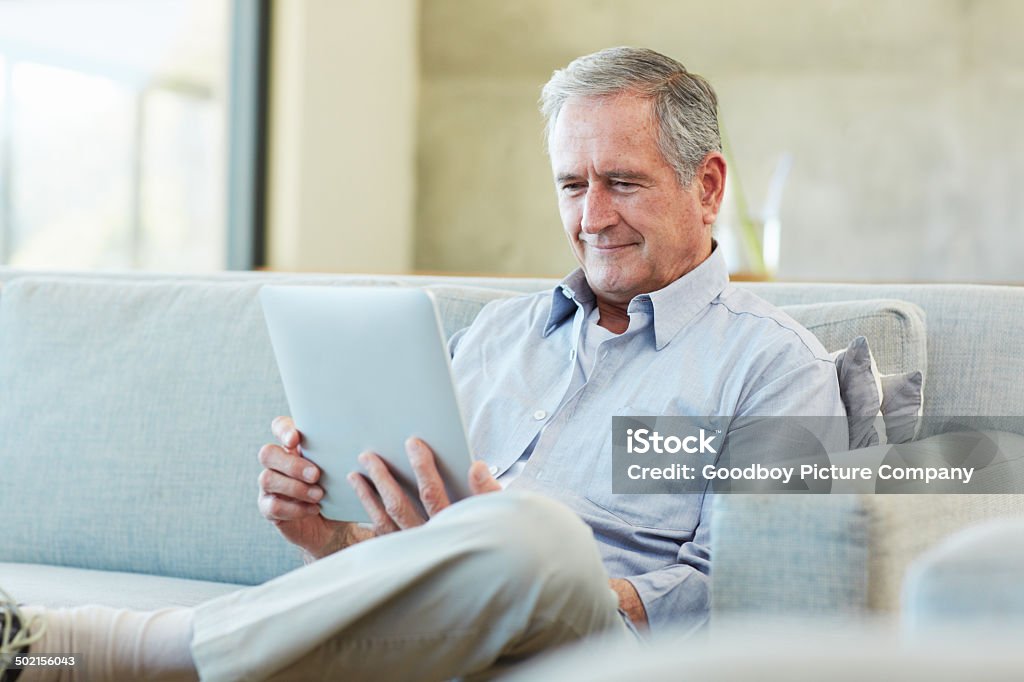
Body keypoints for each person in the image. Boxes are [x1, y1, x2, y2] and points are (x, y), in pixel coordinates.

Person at [1, 46, 846, 682]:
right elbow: (399, 544)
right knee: (508, 532)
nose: (591, 217)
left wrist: (551, 567)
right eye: (570, 185)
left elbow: (758, 589)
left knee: (537, 530)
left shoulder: (775, 367)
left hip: (595, 634)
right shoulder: (494, 337)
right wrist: (332, 534)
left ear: (708, 187)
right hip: (451, 623)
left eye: (622, 183)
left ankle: (99, 651)